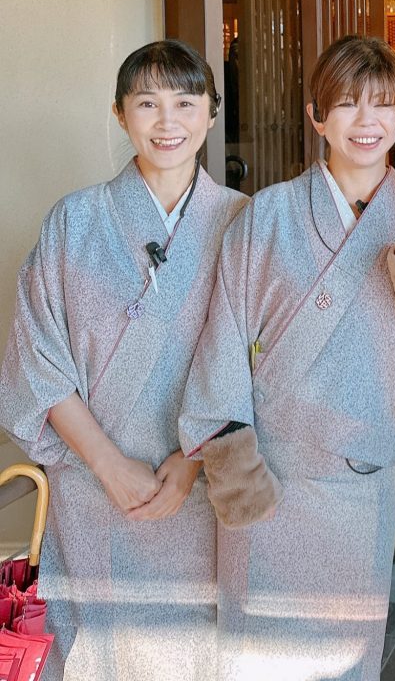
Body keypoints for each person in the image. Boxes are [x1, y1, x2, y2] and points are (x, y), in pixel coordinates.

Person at [179, 35, 395, 681]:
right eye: (349, 104)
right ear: (317, 116)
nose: (367, 122)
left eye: (384, 105)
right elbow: (223, 340)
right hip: (268, 474)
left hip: (358, 481)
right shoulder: (267, 216)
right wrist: (237, 471)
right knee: (255, 656)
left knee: (346, 654)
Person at [0, 39, 248, 680]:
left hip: (197, 489)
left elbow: (260, 363)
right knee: (95, 646)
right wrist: (108, 464)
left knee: (197, 646)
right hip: (90, 486)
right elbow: (35, 359)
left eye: (186, 102)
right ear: (119, 114)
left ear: (211, 114)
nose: (168, 122)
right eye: (147, 103)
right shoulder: (73, 222)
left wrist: (191, 463)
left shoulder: (244, 224)